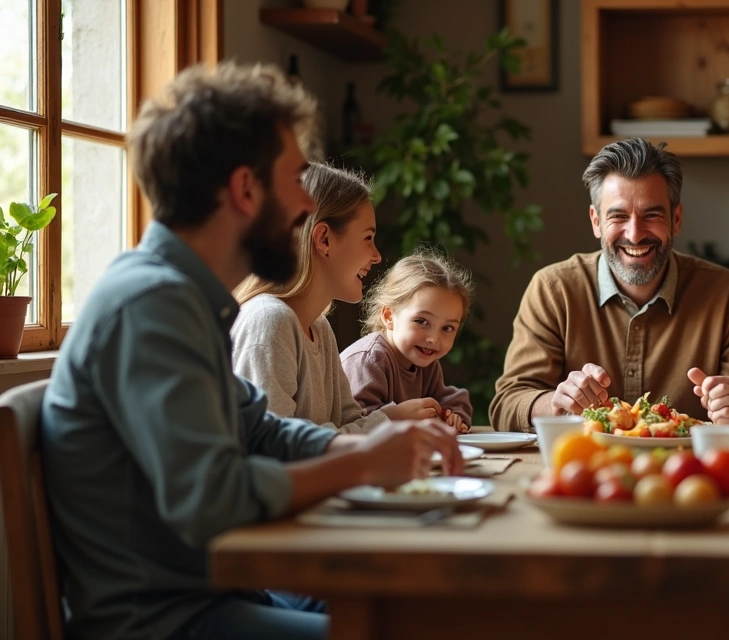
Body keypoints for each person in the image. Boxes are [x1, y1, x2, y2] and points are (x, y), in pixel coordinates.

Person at [40, 62, 462, 640]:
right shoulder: (152, 306)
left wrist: (367, 442)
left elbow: (261, 431)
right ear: (244, 189)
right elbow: (212, 498)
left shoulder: (187, 298)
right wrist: (362, 462)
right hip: (164, 621)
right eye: (294, 179)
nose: (301, 206)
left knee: (423, 610)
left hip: (217, 596)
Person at [489, 138, 729, 436]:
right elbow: (506, 404)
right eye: (618, 216)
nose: (635, 234)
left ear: (676, 219)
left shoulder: (728, 293)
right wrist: (556, 404)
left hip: (688, 471)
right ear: (596, 221)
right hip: (584, 465)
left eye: (652, 215)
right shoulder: (552, 289)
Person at [230, 162, 404, 434]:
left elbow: (347, 425)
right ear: (324, 239)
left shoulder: (319, 329)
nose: (376, 256)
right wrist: (389, 420)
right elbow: (274, 451)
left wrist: (390, 422)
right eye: (367, 238)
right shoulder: (269, 321)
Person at [340, 250, 475, 433]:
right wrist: (399, 416)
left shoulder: (426, 363)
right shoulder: (370, 359)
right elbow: (356, 425)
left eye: (447, 328)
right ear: (389, 316)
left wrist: (453, 416)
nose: (434, 339)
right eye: (421, 321)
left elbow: (451, 399)